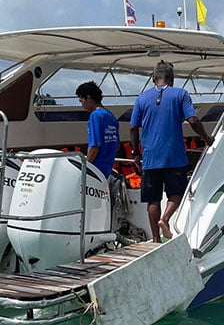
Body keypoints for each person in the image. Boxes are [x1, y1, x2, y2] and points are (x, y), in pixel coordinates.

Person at [130, 60, 212, 242]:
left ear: (153, 77)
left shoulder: (142, 98)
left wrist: (136, 153)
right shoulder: (181, 95)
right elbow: (193, 120)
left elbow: (133, 128)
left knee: (153, 200)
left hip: (150, 158)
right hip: (174, 156)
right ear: (172, 78)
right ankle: (165, 219)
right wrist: (207, 138)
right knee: (176, 194)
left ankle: (156, 240)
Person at [76, 81, 120, 179]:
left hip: (96, 170)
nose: (82, 106)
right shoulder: (111, 116)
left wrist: (86, 167)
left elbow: (94, 146)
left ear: (88, 98)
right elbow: (117, 145)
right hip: (107, 170)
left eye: (82, 101)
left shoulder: (95, 116)